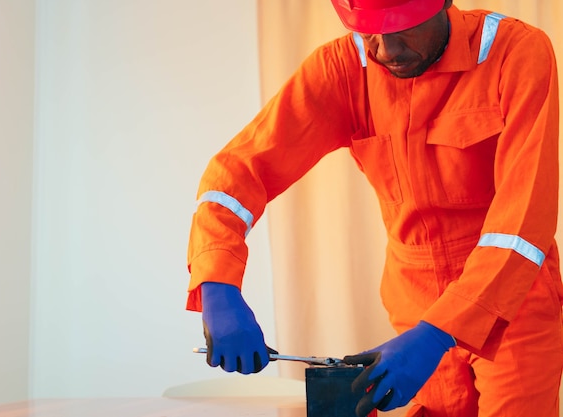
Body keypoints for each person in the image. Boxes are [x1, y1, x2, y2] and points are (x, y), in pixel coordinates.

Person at [185, 1, 563, 416]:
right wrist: (217, 283)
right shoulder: (343, 68)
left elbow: (523, 221)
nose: (385, 50)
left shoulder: (515, 52)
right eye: (368, 32)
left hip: (513, 308)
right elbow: (238, 172)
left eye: (402, 29)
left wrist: (438, 333)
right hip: (413, 305)